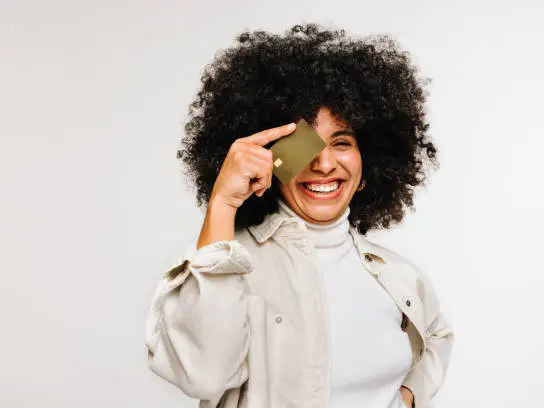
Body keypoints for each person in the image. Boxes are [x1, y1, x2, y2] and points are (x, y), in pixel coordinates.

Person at [145, 23, 455, 408]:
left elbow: (437, 336)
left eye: (342, 142)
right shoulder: (230, 263)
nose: (323, 164)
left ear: (370, 160)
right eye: (302, 145)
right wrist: (222, 203)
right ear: (270, 159)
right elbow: (203, 376)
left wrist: (409, 396)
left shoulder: (396, 275)